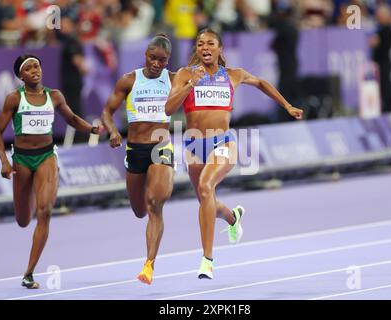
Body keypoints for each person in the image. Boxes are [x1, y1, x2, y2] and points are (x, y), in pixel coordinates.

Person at [165, 28, 303, 279]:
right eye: (199, 44)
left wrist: (287, 105)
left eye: (210, 43)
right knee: (207, 201)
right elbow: (168, 109)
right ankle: (232, 217)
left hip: (224, 142)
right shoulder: (185, 74)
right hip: (194, 146)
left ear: (219, 49)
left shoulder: (232, 75)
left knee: (206, 188)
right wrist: (188, 86)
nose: (204, 48)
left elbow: (261, 82)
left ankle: (207, 260)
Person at [0, 54, 103, 289]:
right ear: (21, 75)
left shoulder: (54, 96)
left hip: (46, 157)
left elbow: (72, 119)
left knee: (45, 212)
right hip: (22, 160)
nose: (35, 70)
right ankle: (31, 194)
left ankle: (29, 273)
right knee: (23, 220)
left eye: (37, 66)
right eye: (29, 68)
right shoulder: (14, 99)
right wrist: (4, 162)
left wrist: (93, 128)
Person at [101, 35, 175, 285]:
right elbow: (107, 112)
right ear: (145, 54)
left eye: (162, 61)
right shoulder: (129, 80)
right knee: (139, 210)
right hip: (135, 150)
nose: (156, 64)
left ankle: (149, 265)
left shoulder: (173, 79)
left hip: (161, 147)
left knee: (154, 203)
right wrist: (112, 130)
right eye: (153, 58)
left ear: (168, 61)